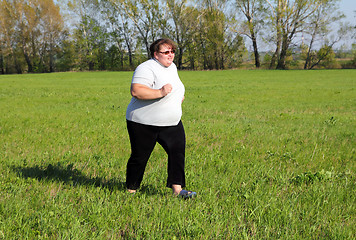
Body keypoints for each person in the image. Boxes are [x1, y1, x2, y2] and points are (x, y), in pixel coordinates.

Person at [125, 38, 196, 199]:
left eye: (172, 51)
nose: (170, 55)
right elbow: (136, 91)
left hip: (171, 122)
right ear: (156, 55)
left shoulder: (172, 67)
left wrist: (178, 97)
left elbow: (173, 86)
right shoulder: (145, 68)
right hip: (143, 122)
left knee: (177, 152)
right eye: (166, 52)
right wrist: (160, 93)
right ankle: (131, 189)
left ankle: (178, 190)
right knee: (140, 157)